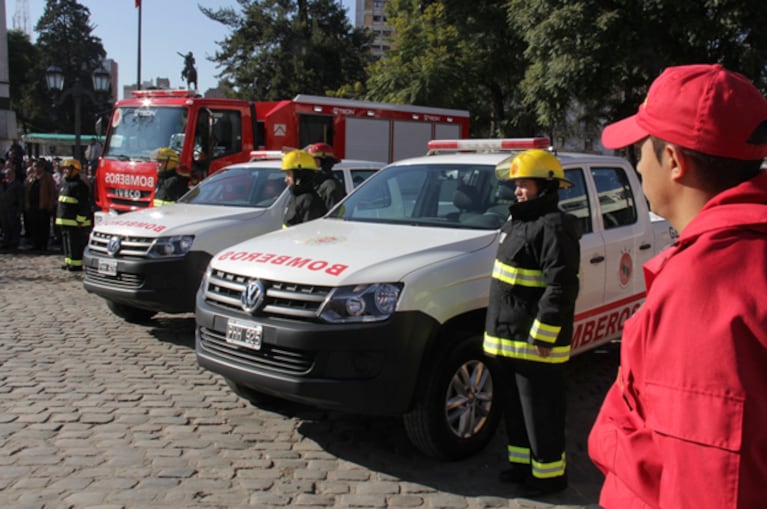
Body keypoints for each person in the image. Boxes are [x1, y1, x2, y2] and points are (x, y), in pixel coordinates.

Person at [588, 64, 767, 509]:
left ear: (673, 161)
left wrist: (610, 433)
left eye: (640, 149)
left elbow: (712, 485)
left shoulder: (706, 288)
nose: (637, 163)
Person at [483, 149, 581, 497]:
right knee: (515, 410)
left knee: (541, 413)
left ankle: (549, 478)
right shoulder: (518, 222)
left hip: (536, 343)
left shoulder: (554, 226)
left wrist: (545, 334)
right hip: (509, 338)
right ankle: (522, 466)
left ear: (547, 187)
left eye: (524, 184)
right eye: (516, 185)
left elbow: (562, 285)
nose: (518, 191)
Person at [55, 159, 92, 272]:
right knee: (66, 243)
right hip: (64, 220)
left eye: (68, 169)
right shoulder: (65, 183)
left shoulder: (79, 186)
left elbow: (83, 205)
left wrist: (80, 220)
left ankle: (76, 264)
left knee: (74, 244)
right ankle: (69, 261)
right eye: (64, 169)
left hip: (75, 222)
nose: (65, 171)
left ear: (75, 170)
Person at [281, 149, 327, 227]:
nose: (285, 180)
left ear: (299, 176)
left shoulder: (309, 201)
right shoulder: (296, 196)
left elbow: (309, 233)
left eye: (289, 175)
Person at [24, 159, 57, 251]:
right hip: (33, 205)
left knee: (44, 226)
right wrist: (27, 203)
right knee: (34, 226)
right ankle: (35, 244)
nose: (37, 169)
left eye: (39, 166)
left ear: (42, 167)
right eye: (35, 166)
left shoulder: (48, 177)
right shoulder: (31, 177)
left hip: (43, 206)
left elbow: (52, 192)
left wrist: (50, 204)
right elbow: (27, 191)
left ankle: (44, 244)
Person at [305, 142, 346, 210]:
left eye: (312, 161)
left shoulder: (331, 187)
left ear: (322, 162)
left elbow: (334, 217)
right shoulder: (316, 183)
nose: (308, 165)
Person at [0, 167, 25, 250]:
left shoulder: (17, 185)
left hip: (13, 208)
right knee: (5, 226)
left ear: (13, 175)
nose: (7, 176)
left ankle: (14, 242)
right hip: (3, 209)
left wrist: (19, 210)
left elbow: (20, 198)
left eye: (9, 174)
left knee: (14, 226)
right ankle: (6, 241)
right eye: (6, 174)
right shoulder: (2, 184)